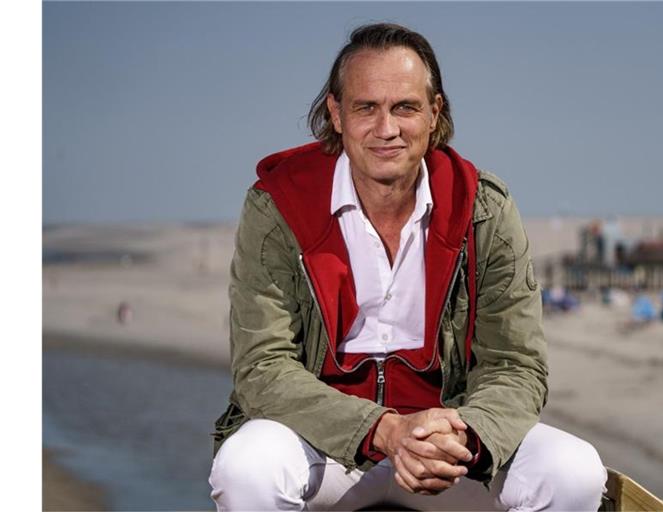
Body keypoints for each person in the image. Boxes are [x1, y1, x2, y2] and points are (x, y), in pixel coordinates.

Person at [208, 23, 607, 511]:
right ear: (335, 113)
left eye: (405, 107)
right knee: (245, 468)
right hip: (326, 447)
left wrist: (465, 435)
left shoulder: (483, 208)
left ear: (435, 112)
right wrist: (385, 430)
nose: (387, 129)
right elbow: (262, 367)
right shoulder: (278, 206)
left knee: (575, 472)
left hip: (450, 447)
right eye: (366, 108)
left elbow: (516, 365)